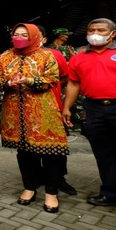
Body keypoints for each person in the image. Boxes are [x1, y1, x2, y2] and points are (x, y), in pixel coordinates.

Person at [0, 23, 69, 213]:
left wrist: (29, 80)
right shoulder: (4, 56)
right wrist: (7, 82)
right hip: (15, 112)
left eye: (24, 35)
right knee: (25, 152)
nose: (19, 37)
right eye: (16, 34)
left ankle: (51, 193)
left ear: (35, 36)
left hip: (43, 111)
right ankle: (29, 187)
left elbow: (53, 79)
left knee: (51, 152)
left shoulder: (46, 55)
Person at [63, 18, 116, 207]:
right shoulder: (78, 57)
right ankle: (112, 194)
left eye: (101, 30)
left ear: (113, 34)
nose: (95, 33)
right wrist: (66, 107)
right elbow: (74, 83)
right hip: (94, 108)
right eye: (91, 30)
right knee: (104, 153)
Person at [38, 25, 77, 195]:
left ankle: (59, 178)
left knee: (56, 147)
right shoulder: (15, 56)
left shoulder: (55, 54)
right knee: (29, 148)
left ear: (44, 38)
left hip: (52, 106)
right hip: (27, 110)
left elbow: (66, 76)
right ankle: (34, 179)